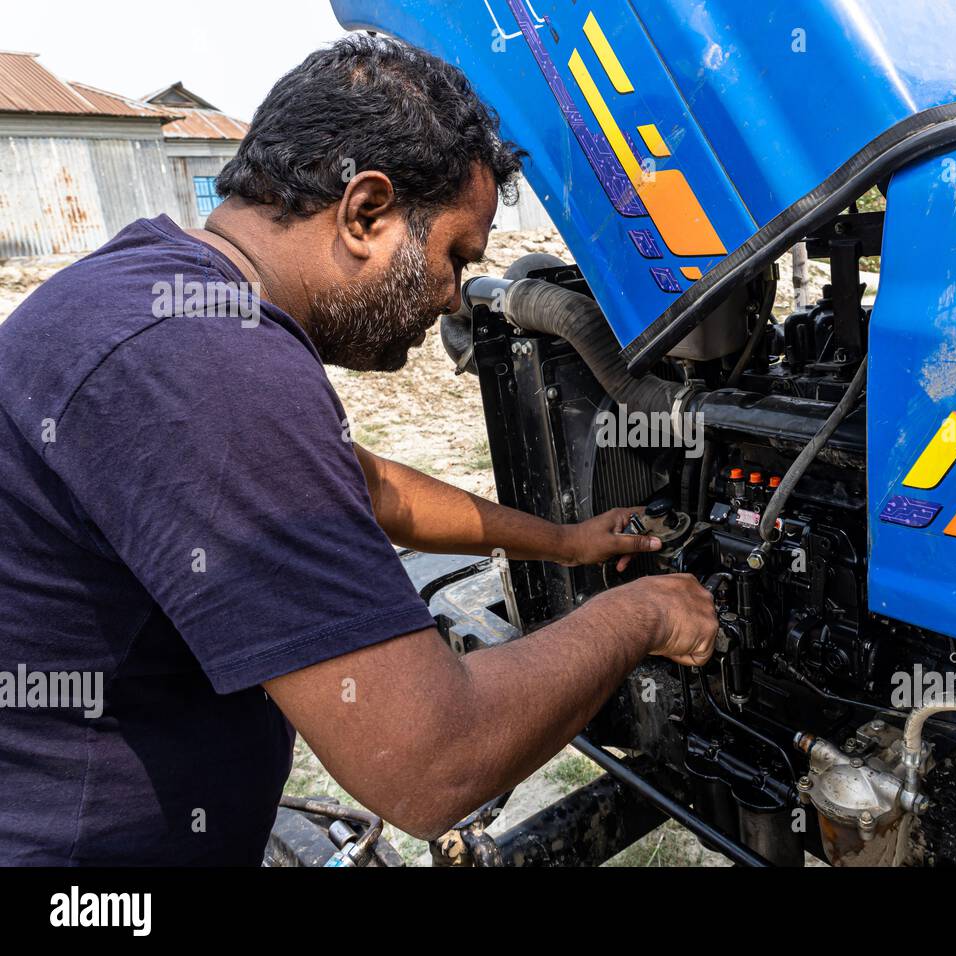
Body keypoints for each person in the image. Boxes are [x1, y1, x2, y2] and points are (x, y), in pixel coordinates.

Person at [0, 35, 717, 865]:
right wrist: (646, 611)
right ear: (366, 212)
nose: (454, 294)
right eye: (454, 256)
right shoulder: (210, 363)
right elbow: (433, 764)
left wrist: (566, 540)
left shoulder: (164, 291)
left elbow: (366, 486)